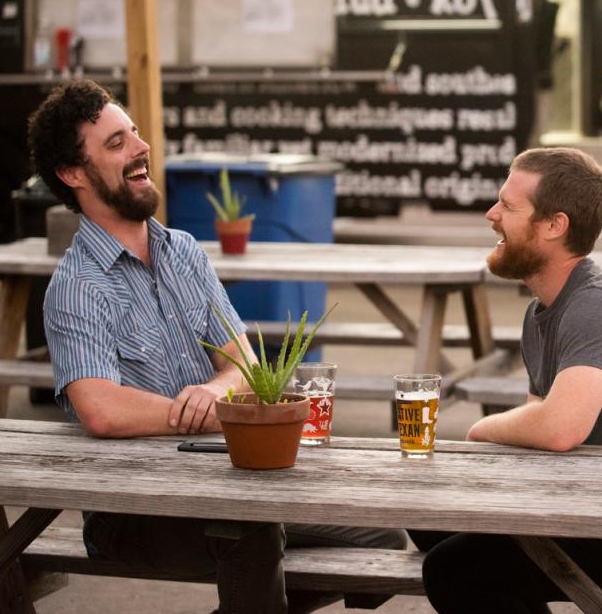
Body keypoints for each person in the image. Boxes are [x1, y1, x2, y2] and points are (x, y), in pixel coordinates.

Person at [27, 79, 405, 614]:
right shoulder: (76, 285)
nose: (141, 147)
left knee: (381, 536)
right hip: (134, 512)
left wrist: (213, 391)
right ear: (73, 175)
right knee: (250, 535)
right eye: (115, 143)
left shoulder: (184, 252)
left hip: (224, 481)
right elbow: (101, 409)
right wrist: (205, 414)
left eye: (133, 133)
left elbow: (243, 364)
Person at [417, 147, 602, 614]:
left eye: (508, 206)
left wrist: (483, 429)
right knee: (425, 523)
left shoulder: (598, 304)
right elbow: (536, 436)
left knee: (452, 568)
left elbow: (559, 428)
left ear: (554, 225)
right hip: (580, 504)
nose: (492, 214)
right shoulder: (542, 310)